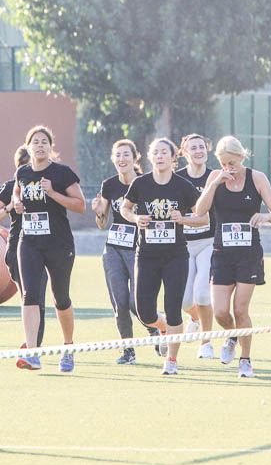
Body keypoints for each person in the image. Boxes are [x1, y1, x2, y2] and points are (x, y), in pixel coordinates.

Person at [192, 136, 271, 378]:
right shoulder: (215, 178)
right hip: (222, 254)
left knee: (241, 310)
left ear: (242, 157)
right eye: (223, 163)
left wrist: (265, 217)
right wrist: (214, 184)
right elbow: (199, 211)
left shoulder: (257, 178)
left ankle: (245, 359)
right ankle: (232, 336)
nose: (228, 168)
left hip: (248, 254)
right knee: (221, 312)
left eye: (231, 163)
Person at [121, 137, 205, 376]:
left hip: (175, 256)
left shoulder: (183, 186)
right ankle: (164, 328)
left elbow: (203, 218)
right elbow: (125, 208)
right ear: (150, 157)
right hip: (147, 255)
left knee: (174, 308)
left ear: (173, 157)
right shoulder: (140, 183)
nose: (159, 156)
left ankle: (171, 360)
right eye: (155, 152)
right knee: (144, 311)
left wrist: (183, 219)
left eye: (164, 152)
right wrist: (136, 218)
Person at [11, 125, 86, 372]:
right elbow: (16, 193)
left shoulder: (62, 173)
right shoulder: (22, 172)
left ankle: (68, 347)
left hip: (58, 244)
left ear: (51, 146)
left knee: (60, 298)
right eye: (35, 141)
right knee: (30, 295)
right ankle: (32, 353)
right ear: (28, 146)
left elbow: (80, 205)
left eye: (44, 141)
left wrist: (53, 193)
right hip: (29, 242)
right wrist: (17, 203)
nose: (40, 145)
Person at [91, 139, 144, 364]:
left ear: (135, 157)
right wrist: (98, 212)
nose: (122, 159)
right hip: (113, 247)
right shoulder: (109, 185)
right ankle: (128, 350)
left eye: (126, 155)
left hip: (139, 248)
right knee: (119, 302)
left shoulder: (145, 183)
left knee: (136, 302)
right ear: (113, 159)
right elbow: (102, 223)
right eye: (118, 155)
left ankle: (155, 328)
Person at [0, 145, 45, 345]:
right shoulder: (11, 187)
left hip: (42, 247)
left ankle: (33, 346)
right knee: (28, 297)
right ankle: (32, 344)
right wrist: (10, 207)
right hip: (17, 248)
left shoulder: (46, 184)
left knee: (37, 299)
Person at [176, 133, 217, 357]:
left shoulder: (214, 176)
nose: (198, 151)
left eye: (202, 146)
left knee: (202, 293)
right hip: (183, 245)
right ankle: (194, 317)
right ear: (184, 152)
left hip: (208, 242)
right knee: (184, 301)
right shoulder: (177, 178)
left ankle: (206, 342)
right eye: (193, 147)